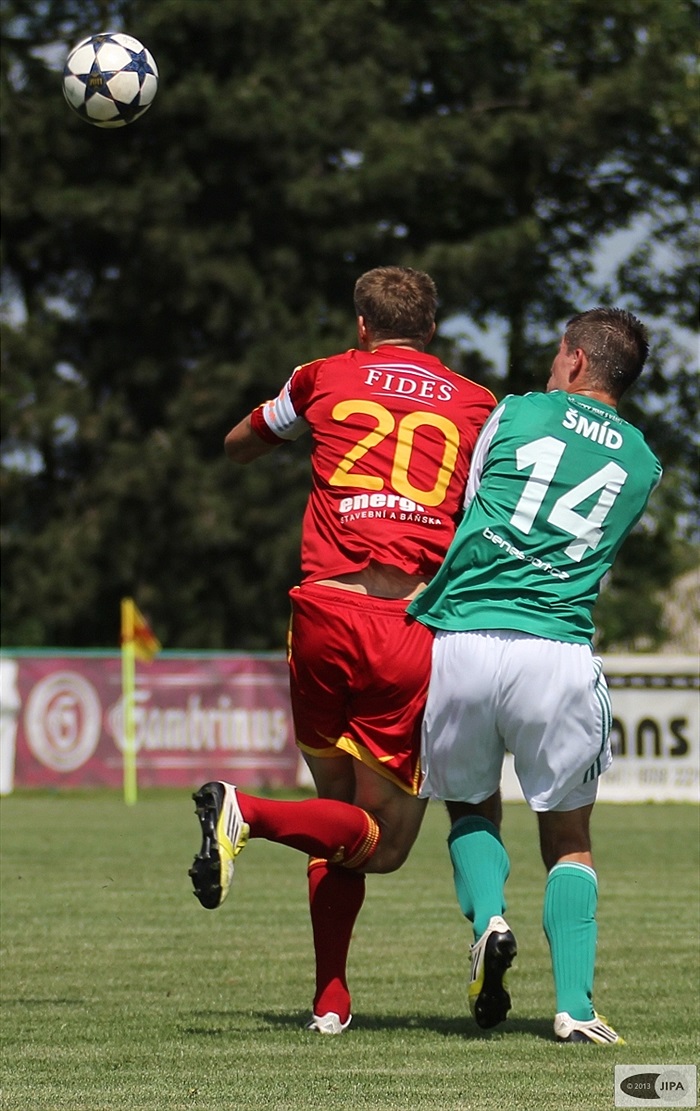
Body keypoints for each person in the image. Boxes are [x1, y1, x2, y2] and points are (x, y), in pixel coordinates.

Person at [188, 266, 497, 1032]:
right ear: (432, 328)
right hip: (406, 624)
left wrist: (291, 426)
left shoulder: (323, 375)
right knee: (384, 843)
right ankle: (247, 812)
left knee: (334, 815)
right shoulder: (476, 402)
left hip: (321, 613)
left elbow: (239, 444)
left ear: (362, 324)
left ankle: (331, 997)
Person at [408, 307, 662, 1045]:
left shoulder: (515, 411)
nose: (554, 364)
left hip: (464, 638)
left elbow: (471, 502)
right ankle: (576, 1009)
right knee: (570, 836)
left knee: (468, 805)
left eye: (559, 353)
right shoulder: (644, 463)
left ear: (577, 361)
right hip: (556, 651)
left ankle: (490, 918)